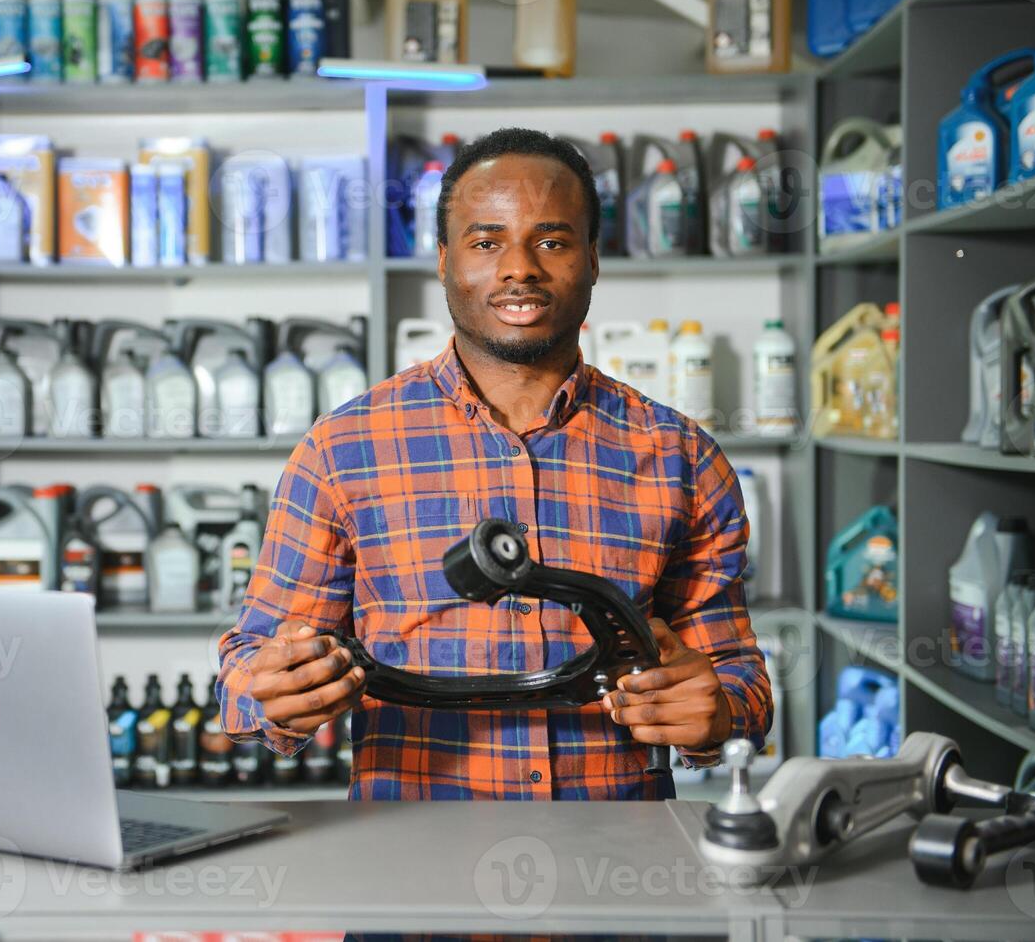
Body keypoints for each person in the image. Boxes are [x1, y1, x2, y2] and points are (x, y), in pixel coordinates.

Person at [217, 127, 771, 800]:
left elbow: (736, 680)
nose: (519, 269)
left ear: (592, 259)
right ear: (444, 260)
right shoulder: (341, 451)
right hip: (412, 867)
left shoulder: (680, 456)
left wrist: (714, 716)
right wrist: (273, 695)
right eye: (485, 243)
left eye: (552, 241)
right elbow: (248, 665)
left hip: (619, 872)